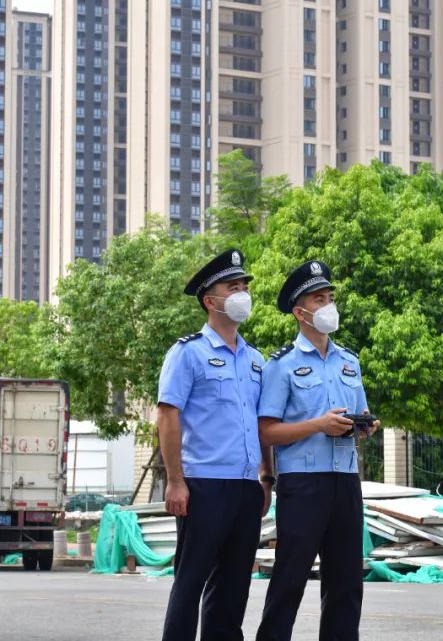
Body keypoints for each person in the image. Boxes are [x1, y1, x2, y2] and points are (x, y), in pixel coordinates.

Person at [256, 260, 379, 641]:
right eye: (318, 299)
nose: (328, 305)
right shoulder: (282, 365)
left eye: (330, 297)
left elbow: (360, 412)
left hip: (346, 480)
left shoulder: (349, 362)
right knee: (289, 580)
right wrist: (318, 425)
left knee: (346, 583)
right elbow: (266, 431)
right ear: (300, 312)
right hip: (303, 484)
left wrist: (365, 426)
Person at [157, 249, 274, 641]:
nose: (242, 294)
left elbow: (260, 424)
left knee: (233, 586)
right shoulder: (188, 353)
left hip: (245, 487)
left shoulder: (255, 360)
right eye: (233, 287)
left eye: (244, 287)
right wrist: (175, 481)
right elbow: (167, 416)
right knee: (190, 581)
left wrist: (265, 477)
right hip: (203, 485)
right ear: (210, 300)